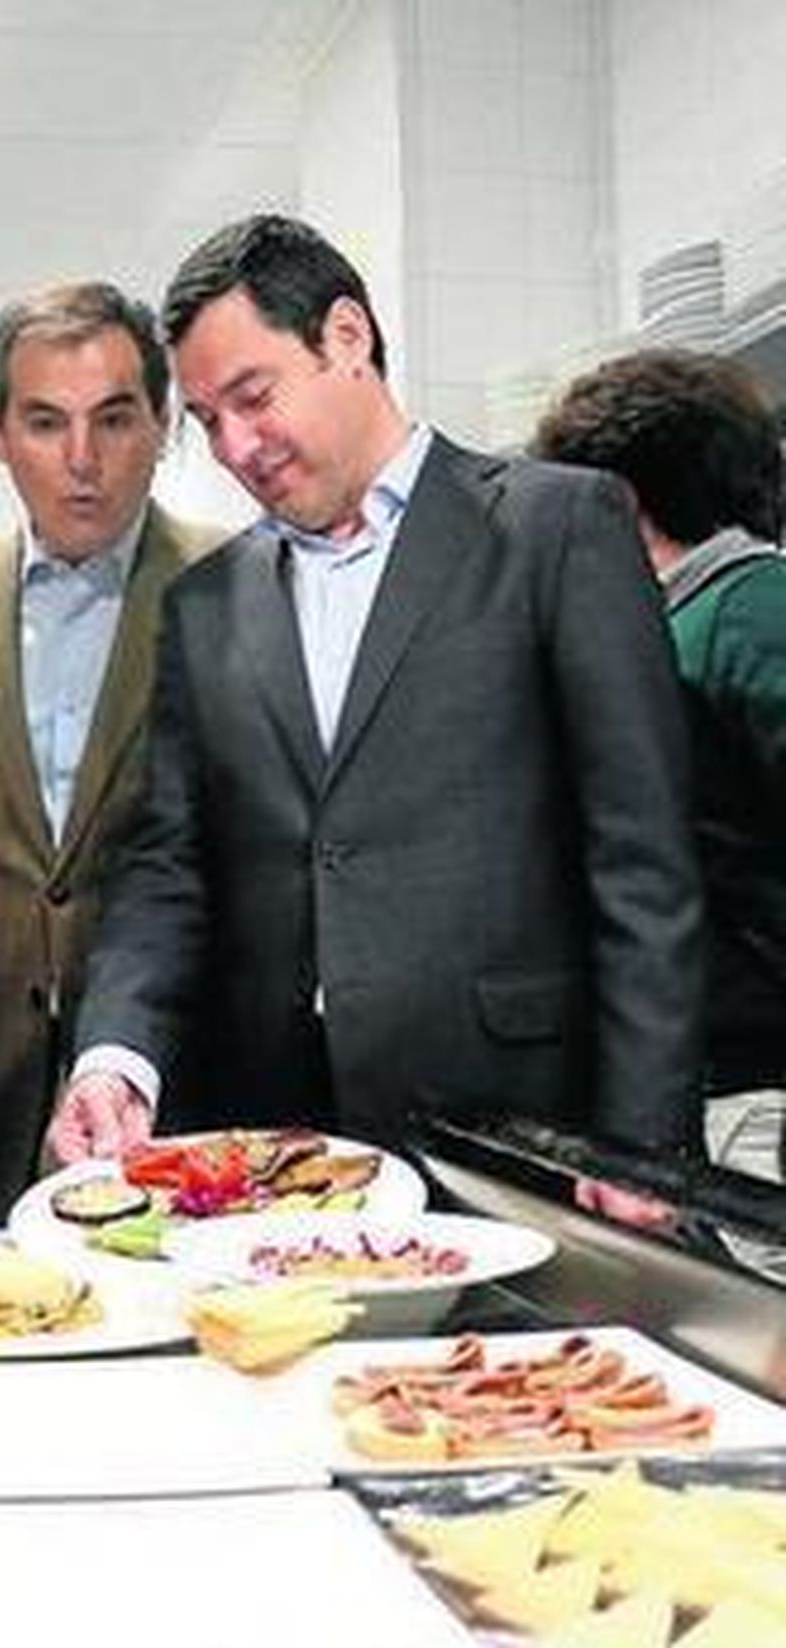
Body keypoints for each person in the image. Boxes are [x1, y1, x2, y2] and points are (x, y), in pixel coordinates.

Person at [49, 214, 704, 1193]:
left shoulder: (553, 529)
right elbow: (166, 867)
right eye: (208, 421)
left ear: (346, 336)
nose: (235, 446)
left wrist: (644, 1143)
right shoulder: (207, 602)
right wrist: (115, 1057)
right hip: (278, 1139)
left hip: (519, 1129)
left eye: (253, 397)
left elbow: (643, 864)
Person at [0, 280, 223, 1226]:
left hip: (182, 1071)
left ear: (162, 423)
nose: (81, 460)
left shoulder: (236, 585)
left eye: (113, 419)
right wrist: (6, 922)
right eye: (44, 422)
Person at [532, 348, 786, 1204]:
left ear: (619, 503)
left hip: (758, 1095)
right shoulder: (676, 627)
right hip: (717, 1087)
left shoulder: (749, 613)